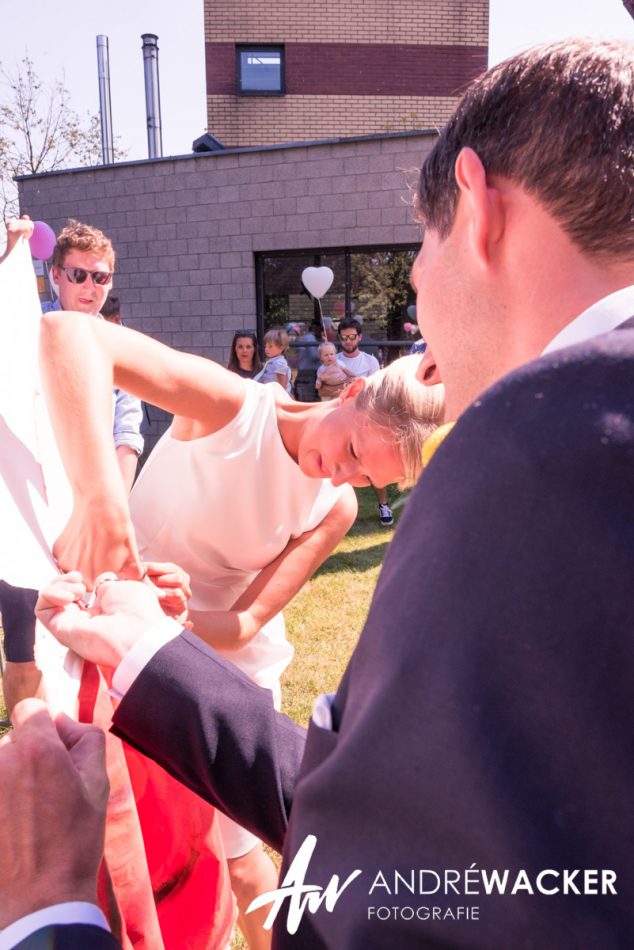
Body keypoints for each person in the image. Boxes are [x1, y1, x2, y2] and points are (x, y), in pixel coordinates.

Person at [9, 36, 634, 949]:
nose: (418, 285)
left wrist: (43, 922)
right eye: (357, 456)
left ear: (476, 204)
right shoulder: (244, 409)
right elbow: (422, 825)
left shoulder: (541, 445)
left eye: (418, 250)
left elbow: (418, 877)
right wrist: (134, 594)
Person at [36, 311, 442, 948]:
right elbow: (70, 335)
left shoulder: (333, 507)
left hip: (224, 661)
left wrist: (177, 621)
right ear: (352, 392)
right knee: (118, 847)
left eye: (368, 480)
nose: (342, 477)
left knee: (244, 862)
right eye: (356, 451)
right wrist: (100, 498)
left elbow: (249, 619)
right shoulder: (233, 407)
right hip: (111, 621)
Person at [0, 218, 143, 715]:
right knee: (24, 649)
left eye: (100, 277)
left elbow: (127, 435)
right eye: (78, 275)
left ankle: (81, 758)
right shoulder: (26, 333)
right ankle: (28, 754)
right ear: (55, 275)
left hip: (88, 520)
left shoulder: (119, 346)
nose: (89, 287)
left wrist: (110, 510)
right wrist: (10, 253)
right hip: (27, 510)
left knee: (91, 648)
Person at [336, 317, 394, 525]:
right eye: (344, 338)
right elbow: (323, 389)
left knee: (372, 462)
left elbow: (376, 391)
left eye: (352, 337)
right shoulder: (333, 360)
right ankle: (336, 512)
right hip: (340, 419)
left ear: (359, 337)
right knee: (338, 463)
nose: (348, 341)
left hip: (364, 418)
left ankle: (384, 506)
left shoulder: (370, 361)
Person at [256, 326, 292, 393]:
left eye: (270, 346)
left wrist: (281, 395)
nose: (266, 349)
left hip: (275, 394)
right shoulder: (274, 360)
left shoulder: (279, 363)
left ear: (281, 347)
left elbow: (282, 385)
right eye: (265, 346)